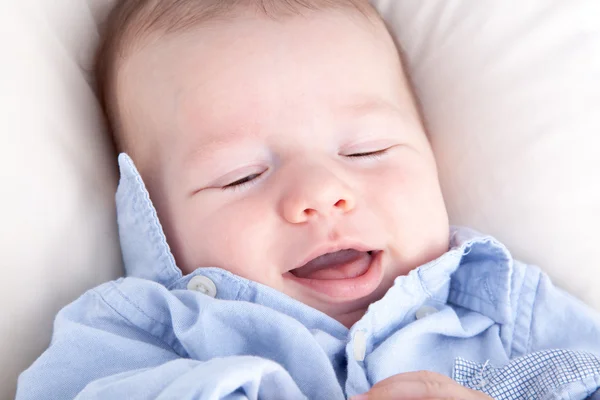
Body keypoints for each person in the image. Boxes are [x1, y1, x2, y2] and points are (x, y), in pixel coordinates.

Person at [16, 0, 600, 398]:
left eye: (366, 151)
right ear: (149, 219)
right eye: (239, 176)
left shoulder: (505, 310)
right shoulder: (136, 335)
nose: (321, 194)